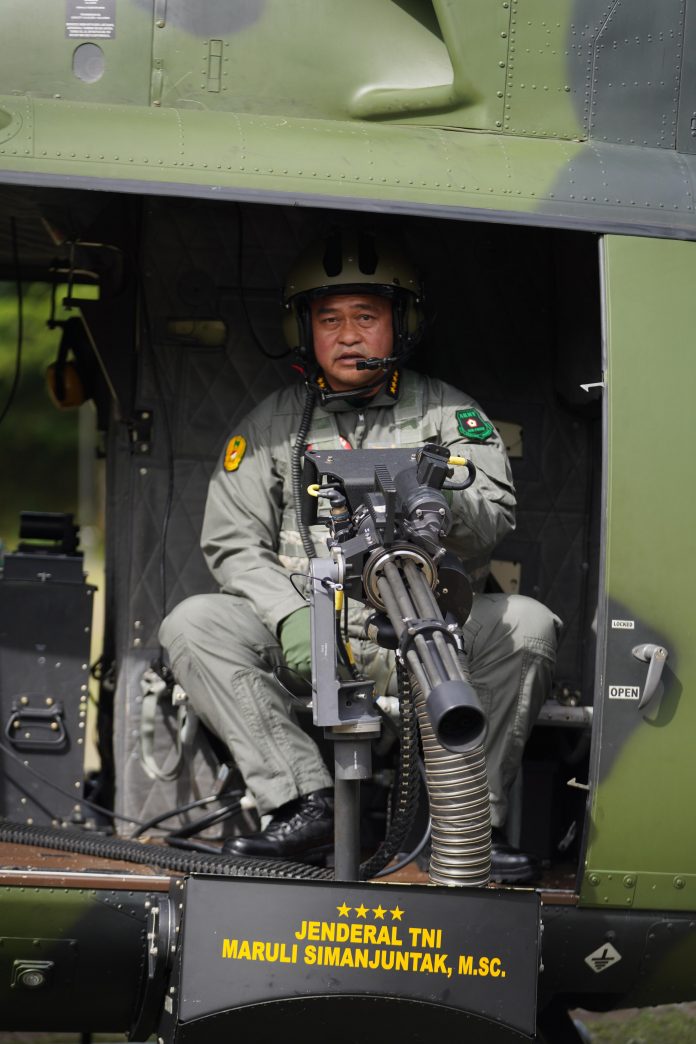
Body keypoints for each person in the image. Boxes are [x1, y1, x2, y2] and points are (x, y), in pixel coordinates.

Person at [158, 230, 560, 882]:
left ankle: (464, 826)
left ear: (402, 324)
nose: (348, 336)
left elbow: (494, 517)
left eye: (366, 317)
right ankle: (302, 802)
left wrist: (436, 502)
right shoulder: (273, 425)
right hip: (311, 636)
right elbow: (232, 542)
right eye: (329, 320)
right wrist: (289, 613)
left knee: (529, 626)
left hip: (432, 629)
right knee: (194, 624)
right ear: (303, 329)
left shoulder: (451, 414)